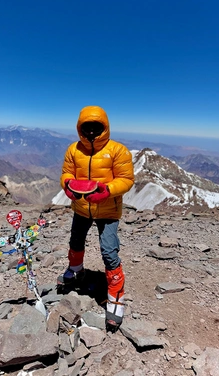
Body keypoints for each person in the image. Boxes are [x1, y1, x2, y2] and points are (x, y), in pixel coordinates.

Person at [59, 106, 134, 332]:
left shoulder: (118, 150)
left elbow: (126, 179)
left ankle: (116, 297)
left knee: (109, 252)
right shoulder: (74, 150)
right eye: (86, 128)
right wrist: (67, 186)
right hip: (82, 207)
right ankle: (76, 270)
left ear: (105, 127)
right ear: (80, 128)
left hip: (108, 210)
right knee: (75, 241)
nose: (91, 132)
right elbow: (67, 174)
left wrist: (107, 190)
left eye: (96, 127)